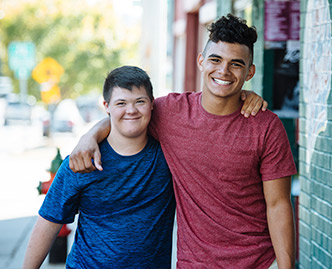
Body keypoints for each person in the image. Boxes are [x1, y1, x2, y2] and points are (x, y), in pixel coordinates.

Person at [70, 14, 297, 268]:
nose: (223, 71)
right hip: (193, 263)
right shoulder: (171, 113)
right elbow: (129, 115)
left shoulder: (266, 126)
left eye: (236, 64)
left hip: (258, 262)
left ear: (249, 72)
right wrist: (90, 136)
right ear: (201, 61)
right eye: (215, 59)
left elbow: (278, 205)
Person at [23, 66, 176, 268]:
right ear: (107, 106)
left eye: (140, 102)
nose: (131, 110)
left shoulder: (170, 158)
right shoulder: (81, 160)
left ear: (152, 104)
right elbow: (49, 221)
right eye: (121, 103)